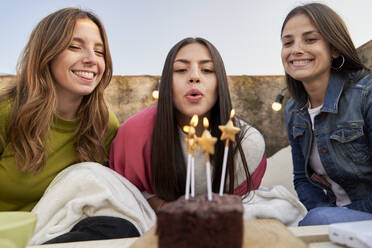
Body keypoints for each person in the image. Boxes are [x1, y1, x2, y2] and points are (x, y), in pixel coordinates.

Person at [0, 8, 140, 242]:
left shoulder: (104, 125)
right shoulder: (8, 113)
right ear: (47, 54)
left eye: (100, 51)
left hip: (60, 234)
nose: (91, 59)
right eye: (75, 47)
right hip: (8, 236)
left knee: (119, 228)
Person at [110, 37, 267, 211]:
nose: (194, 77)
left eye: (207, 70)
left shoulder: (247, 144)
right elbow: (125, 201)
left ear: (220, 82)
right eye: (181, 69)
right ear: (167, 83)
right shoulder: (135, 135)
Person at [282, 3, 372, 225]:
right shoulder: (293, 111)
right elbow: (301, 179)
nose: (296, 49)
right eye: (287, 42)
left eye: (310, 39)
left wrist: (329, 218)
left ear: (334, 48)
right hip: (331, 216)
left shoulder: (366, 95)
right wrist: (323, 212)